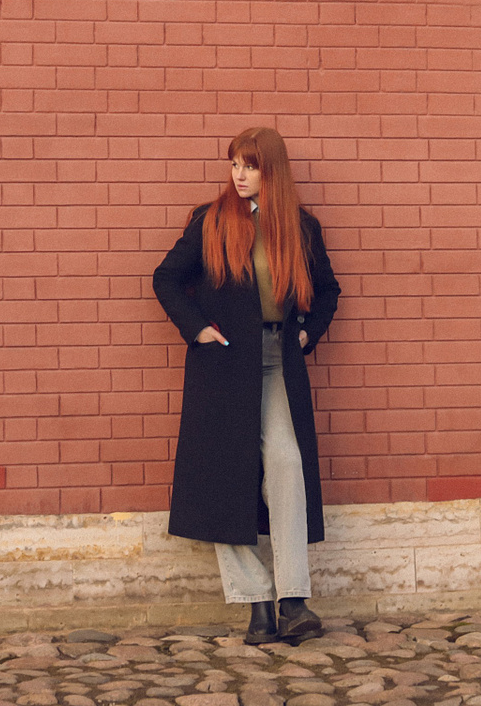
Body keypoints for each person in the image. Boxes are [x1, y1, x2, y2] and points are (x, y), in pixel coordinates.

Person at [152, 126, 341, 645]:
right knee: (225, 476)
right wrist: (197, 329)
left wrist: (306, 333)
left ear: (271, 170)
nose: (239, 175)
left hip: (278, 358)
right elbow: (166, 278)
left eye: (250, 166)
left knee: (286, 462)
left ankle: (293, 601)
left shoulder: (301, 227)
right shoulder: (210, 220)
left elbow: (328, 290)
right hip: (224, 362)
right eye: (234, 164)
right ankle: (257, 605)